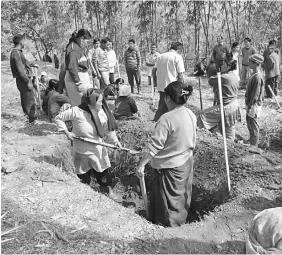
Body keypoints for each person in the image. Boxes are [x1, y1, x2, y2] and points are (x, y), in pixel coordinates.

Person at [136, 81, 196, 227]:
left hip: (170, 168)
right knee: (181, 198)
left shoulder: (166, 119)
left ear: (167, 98)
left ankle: (168, 227)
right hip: (186, 162)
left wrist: (141, 164)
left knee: (168, 203)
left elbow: (155, 146)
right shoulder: (190, 114)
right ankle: (180, 221)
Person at [54, 88, 122, 201]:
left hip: (97, 149)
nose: (102, 103)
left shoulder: (102, 113)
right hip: (81, 150)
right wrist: (67, 133)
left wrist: (116, 141)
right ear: (91, 102)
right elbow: (59, 118)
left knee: (103, 172)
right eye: (99, 101)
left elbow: (109, 130)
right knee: (83, 174)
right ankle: (87, 193)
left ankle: (108, 191)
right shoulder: (76, 111)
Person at [197, 60, 241, 141]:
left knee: (202, 115)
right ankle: (230, 144)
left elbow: (210, 81)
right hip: (232, 105)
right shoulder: (233, 75)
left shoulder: (224, 77)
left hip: (227, 107)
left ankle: (203, 138)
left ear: (228, 66)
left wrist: (210, 72)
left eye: (223, 64)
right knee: (228, 127)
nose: (221, 66)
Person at [152, 42, 185, 121]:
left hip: (161, 84)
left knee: (163, 103)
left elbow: (153, 71)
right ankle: (157, 122)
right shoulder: (177, 57)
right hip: (172, 86)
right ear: (179, 49)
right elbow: (180, 74)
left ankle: (161, 121)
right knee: (172, 106)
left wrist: (156, 82)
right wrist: (181, 86)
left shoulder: (161, 56)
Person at [10, 34, 38, 123]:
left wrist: (32, 64)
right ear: (21, 41)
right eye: (24, 40)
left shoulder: (18, 52)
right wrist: (27, 81)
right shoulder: (16, 53)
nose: (25, 42)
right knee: (29, 99)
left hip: (22, 80)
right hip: (23, 80)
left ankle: (28, 117)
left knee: (25, 98)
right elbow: (20, 70)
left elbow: (25, 62)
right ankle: (31, 119)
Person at [65, 29, 93, 106]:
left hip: (82, 76)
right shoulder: (74, 49)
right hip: (75, 78)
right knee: (78, 104)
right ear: (81, 39)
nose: (87, 44)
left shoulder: (79, 48)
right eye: (87, 42)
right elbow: (72, 67)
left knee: (87, 101)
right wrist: (78, 83)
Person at [245, 54, 265, 147]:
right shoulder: (254, 74)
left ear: (256, 63)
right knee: (249, 120)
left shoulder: (257, 77)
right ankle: (252, 138)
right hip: (251, 103)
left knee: (254, 123)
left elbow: (255, 94)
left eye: (250, 62)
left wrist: (250, 105)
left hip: (254, 104)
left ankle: (255, 143)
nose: (249, 63)